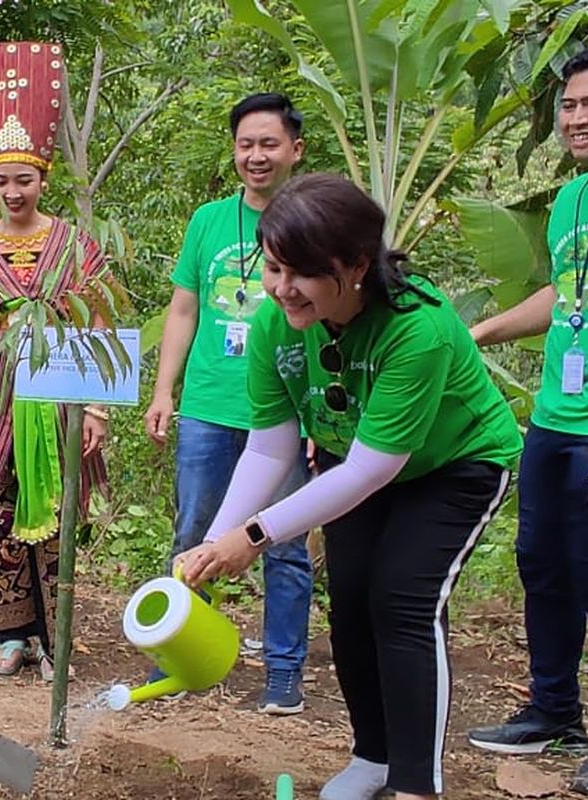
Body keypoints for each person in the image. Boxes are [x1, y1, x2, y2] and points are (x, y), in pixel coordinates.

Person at [177, 174, 522, 800]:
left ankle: (417, 783)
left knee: (403, 603)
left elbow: (373, 470)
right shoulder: (276, 323)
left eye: (303, 273)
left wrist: (254, 535)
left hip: (454, 464)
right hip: (350, 457)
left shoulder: (417, 327)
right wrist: (215, 536)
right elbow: (270, 444)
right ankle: (373, 757)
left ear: (357, 265)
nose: (283, 289)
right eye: (274, 268)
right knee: (354, 600)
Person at [467, 41, 588, 797]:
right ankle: (553, 710)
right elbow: (566, 296)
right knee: (542, 567)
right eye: (568, 104)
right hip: (554, 418)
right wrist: (477, 332)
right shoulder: (575, 195)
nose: (576, 117)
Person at [0, 41, 110, 682]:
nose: (13, 191)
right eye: (1, 181)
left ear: (43, 179)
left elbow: (98, 319)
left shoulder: (72, 244)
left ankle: (55, 633)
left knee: (60, 507)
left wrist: (96, 408)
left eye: (25, 179)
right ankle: (13, 635)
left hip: (60, 395)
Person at [142, 92, 313, 714]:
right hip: (210, 408)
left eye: (269, 144)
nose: (256, 156)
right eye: (246, 144)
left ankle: (284, 672)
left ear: (295, 149)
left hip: (288, 413)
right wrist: (165, 390)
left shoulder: (310, 223)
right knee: (193, 532)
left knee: (286, 542)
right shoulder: (209, 221)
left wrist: (323, 415)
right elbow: (183, 309)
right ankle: (183, 655)